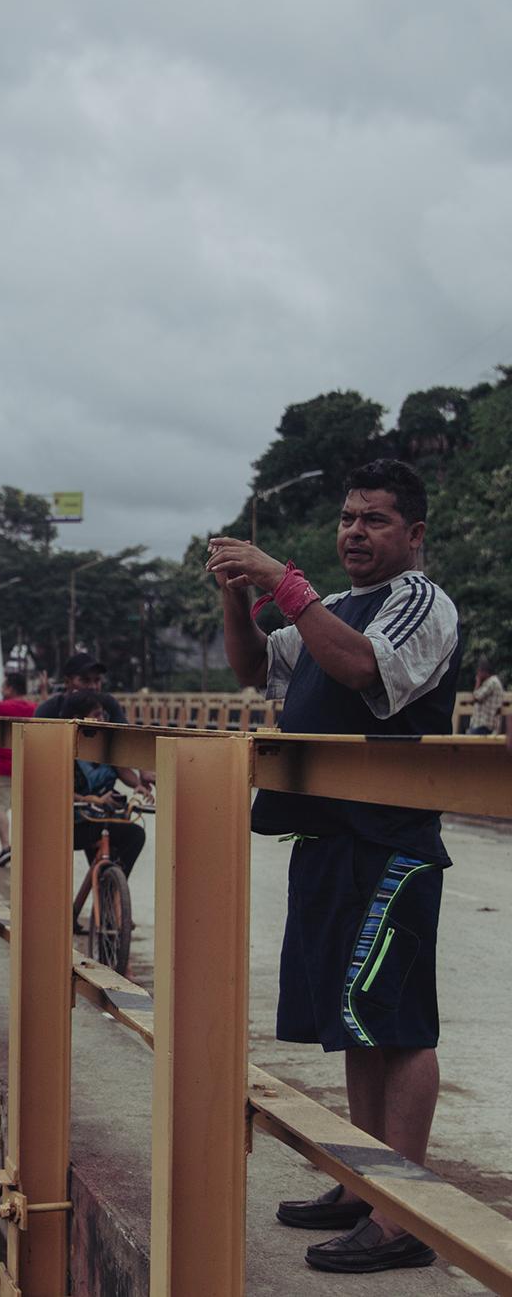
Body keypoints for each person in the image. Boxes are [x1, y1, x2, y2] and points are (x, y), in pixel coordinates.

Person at [209, 458, 461, 1275]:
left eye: (375, 519)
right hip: (327, 838)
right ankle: (362, 1181)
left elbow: (361, 668)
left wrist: (286, 582)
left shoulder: (419, 601)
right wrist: (233, 591)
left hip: (391, 840)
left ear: (414, 534)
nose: (355, 531)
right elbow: (255, 669)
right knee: (354, 1018)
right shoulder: (336, 608)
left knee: (399, 1018)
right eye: (349, 517)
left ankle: (403, 1216)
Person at [58, 689, 149, 877]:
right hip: (74, 825)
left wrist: (137, 785)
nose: (103, 719)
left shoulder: (105, 743)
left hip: (101, 819)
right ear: (78, 718)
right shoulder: (63, 748)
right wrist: (91, 799)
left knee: (135, 835)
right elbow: (57, 789)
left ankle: (113, 889)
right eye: (97, 715)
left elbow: (122, 770)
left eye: (103, 714)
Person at [0, 672, 38, 866]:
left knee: (0, 807)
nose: (1, 690)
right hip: (28, 766)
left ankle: (6, 847)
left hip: (3, 767)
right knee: (26, 810)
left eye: (4, 686)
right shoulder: (34, 708)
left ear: (10, 688)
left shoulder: (1, 707)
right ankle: (29, 850)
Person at [470, 659, 504, 736]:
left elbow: (476, 697)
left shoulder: (492, 682)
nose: (477, 674)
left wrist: (478, 681)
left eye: (479, 672)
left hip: (485, 726)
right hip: (483, 726)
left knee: (466, 742)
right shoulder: (491, 682)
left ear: (484, 672)